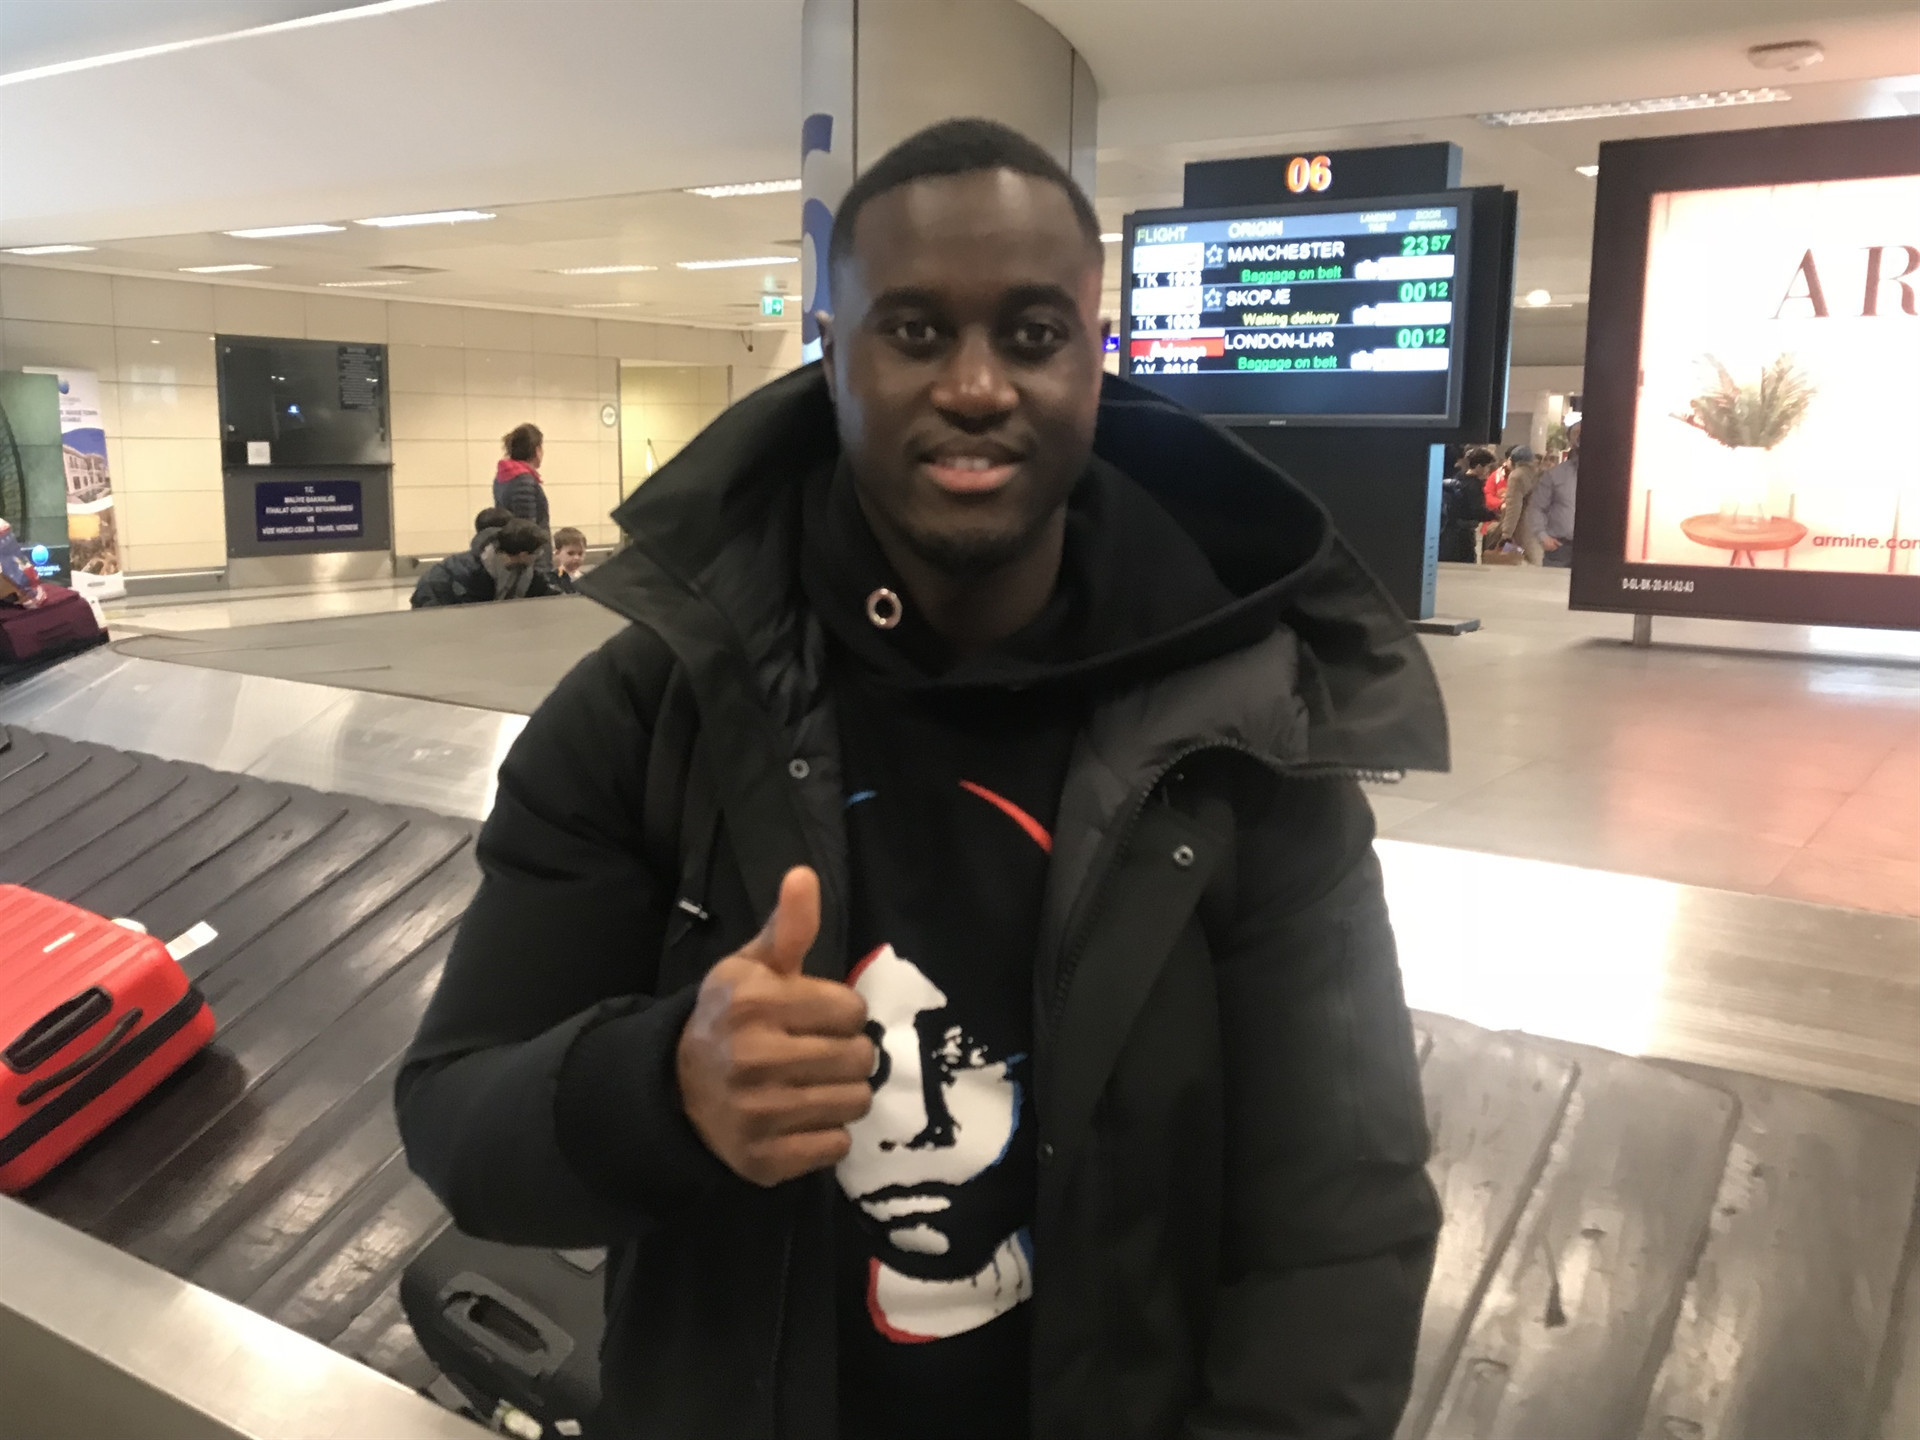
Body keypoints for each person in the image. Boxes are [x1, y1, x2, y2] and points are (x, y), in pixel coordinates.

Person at [395, 118, 1443, 1440]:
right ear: (833, 356)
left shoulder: (1245, 738)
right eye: (915, 332)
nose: (977, 386)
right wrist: (662, 1089)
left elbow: (1339, 1224)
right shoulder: (653, 711)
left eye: (1033, 333)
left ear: (1096, 357)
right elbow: (458, 1115)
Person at [410, 517, 559, 607]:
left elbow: (541, 590)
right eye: (538, 552)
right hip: (435, 603)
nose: (541, 555)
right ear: (523, 555)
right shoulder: (471, 571)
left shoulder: (521, 566)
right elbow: (478, 614)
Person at [1525, 420, 1580, 568]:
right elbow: (1537, 507)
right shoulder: (1555, 474)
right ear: (1570, 440)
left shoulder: (1610, 475)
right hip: (1560, 549)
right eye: (1576, 434)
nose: (1580, 438)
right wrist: (1542, 536)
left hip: (1597, 550)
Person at [1438, 446, 1498, 562]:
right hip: (1463, 534)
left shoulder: (1459, 477)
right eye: (1487, 467)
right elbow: (1477, 511)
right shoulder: (1474, 485)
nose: (1488, 471)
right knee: (1466, 564)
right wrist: (1494, 515)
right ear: (1479, 466)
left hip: (1448, 531)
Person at [495, 423, 550, 534]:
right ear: (537, 450)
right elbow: (527, 530)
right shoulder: (524, 482)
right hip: (529, 544)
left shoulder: (503, 476)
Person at [550, 525, 588, 593]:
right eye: (570, 553)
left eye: (580, 553)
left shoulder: (586, 578)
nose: (577, 557)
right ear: (557, 553)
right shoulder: (553, 578)